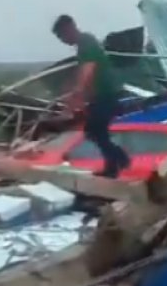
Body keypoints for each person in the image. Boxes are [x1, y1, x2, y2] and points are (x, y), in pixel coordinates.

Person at [51, 14, 130, 178]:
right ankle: (115, 164)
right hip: (98, 96)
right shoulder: (83, 45)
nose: (62, 41)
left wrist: (78, 90)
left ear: (69, 29)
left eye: (61, 36)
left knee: (94, 130)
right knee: (97, 131)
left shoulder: (87, 41)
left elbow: (89, 67)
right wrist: (75, 92)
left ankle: (119, 160)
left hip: (107, 93)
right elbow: (83, 71)